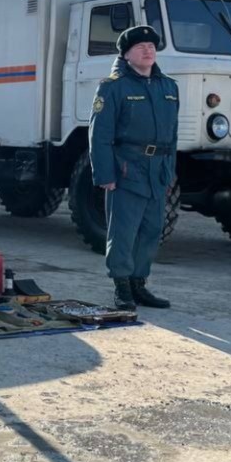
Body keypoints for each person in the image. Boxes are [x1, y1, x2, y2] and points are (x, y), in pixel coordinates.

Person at [89, 25, 179, 311]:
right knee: (124, 231)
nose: (148, 50)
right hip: (128, 167)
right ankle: (122, 287)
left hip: (158, 169)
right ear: (126, 54)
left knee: (151, 229)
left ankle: (139, 283)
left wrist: (170, 170)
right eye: (141, 46)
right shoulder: (113, 86)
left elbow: (173, 134)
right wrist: (105, 175)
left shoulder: (168, 87)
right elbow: (99, 135)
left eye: (152, 45)